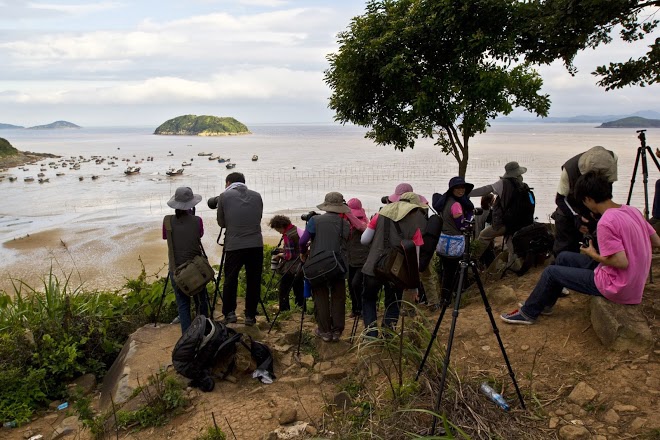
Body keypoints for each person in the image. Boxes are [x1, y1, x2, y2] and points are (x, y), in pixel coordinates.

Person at [501, 172, 660, 325]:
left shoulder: (607, 221)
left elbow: (621, 262)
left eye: (584, 202)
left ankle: (528, 313)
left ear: (589, 199)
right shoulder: (631, 210)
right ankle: (545, 304)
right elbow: (656, 241)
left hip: (618, 287)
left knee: (551, 272)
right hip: (633, 282)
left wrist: (593, 254)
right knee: (563, 257)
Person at [361, 192, 427, 337]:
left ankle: (371, 335)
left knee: (369, 299)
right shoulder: (415, 227)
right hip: (396, 270)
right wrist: (414, 285)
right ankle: (388, 335)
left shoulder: (380, 215)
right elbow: (414, 258)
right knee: (393, 302)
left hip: (374, 265)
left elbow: (364, 240)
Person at [213, 172, 263, 326]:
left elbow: (221, 222)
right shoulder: (257, 196)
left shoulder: (224, 196)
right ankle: (250, 316)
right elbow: (258, 217)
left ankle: (229, 313)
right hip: (255, 243)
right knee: (254, 280)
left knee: (230, 279)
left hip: (234, 245)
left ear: (228, 183)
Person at [299, 192, 351, 342]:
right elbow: (346, 241)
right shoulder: (345, 223)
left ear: (326, 205)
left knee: (320, 296)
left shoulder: (315, 220)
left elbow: (303, 241)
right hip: (338, 265)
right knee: (338, 297)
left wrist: (303, 253)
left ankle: (324, 331)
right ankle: (337, 331)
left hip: (318, 264)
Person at [552, 146, 617, 255]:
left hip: (593, 207)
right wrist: (576, 217)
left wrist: (600, 213)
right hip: (570, 209)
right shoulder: (569, 170)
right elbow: (560, 199)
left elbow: (607, 192)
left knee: (599, 244)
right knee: (565, 250)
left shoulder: (611, 158)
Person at [163, 186, 209, 333]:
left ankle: (187, 336)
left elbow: (166, 237)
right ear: (192, 205)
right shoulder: (198, 221)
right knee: (201, 301)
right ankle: (204, 330)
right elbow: (199, 235)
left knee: (183, 304)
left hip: (176, 269)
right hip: (196, 268)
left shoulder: (167, 221)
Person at [469, 161, 529, 258]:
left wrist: (468, 193)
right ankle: (513, 266)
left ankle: (473, 260)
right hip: (520, 222)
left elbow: (486, 189)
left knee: (484, 235)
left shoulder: (503, 183)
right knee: (511, 246)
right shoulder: (523, 185)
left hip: (504, 223)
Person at [432, 177, 475, 300]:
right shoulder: (456, 205)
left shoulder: (445, 201)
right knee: (456, 271)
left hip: (443, 242)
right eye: (457, 188)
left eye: (463, 187)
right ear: (452, 189)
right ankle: (455, 296)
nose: (461, 190)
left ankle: (445, 297)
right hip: (455, 244)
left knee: (447, 272)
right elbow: (461, 225)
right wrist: (469, 217)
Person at [268, 215, 305, 312]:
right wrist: (282, 250)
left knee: (284, 290)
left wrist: (279, 255)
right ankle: (301, 309)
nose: (278, 232)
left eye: (277, 229)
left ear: (280, 226)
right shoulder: (295, 229)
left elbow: (289, 256)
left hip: (290, 268)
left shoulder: (288, 235)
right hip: (300, 265)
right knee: (299, 289)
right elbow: (296, 248)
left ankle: (284, 311)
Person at [345, 198, 369, 317]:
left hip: (363, 259)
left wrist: (350, 216)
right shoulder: (346, 222)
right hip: (350, 259)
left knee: (356, 284)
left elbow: (362, 227)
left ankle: (362, 308)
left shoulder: (364, 222)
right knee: (351, 285)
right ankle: (356, 309)